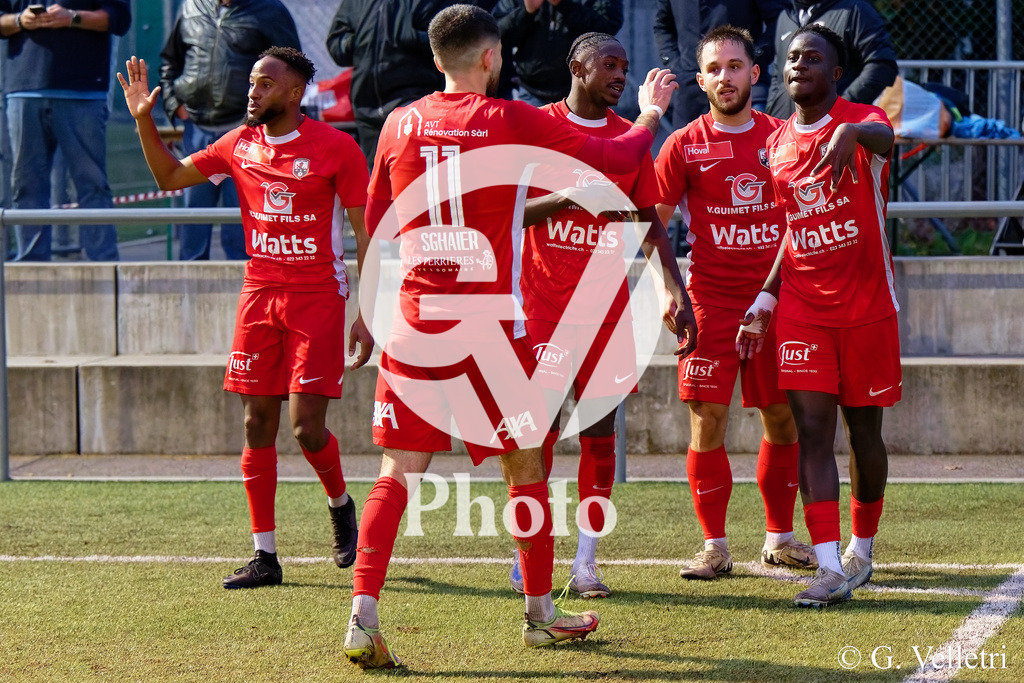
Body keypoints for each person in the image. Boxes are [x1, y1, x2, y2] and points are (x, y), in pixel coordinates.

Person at [343, 4, 682, 668]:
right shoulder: (509, 119)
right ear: (492, 58)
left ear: (437, 58)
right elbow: (617, 156)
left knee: (398, 473)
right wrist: (647, 114)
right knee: (527, 462)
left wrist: (364, 311)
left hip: (413, 320)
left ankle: (362, 614)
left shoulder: (396, 125)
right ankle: (538, 613)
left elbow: (377, 230)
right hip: (491, 327)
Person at [118, 47, 372, 589]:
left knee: (306, 429)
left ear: (294, 92)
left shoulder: (338, 148)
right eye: (252, 82)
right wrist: (145, 121)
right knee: (256, 423)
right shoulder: (239, 143)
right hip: (259, 296)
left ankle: (341, 504)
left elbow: (365, 235)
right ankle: (265, 556)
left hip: (317, 298)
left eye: (264, 83)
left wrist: (366, 312)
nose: (253, 92)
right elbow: (168, 178)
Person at [508, 31, 696, 599]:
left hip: (607, 313)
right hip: (542, 310)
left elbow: (647, 222)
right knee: (533, 437)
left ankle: (586, 561)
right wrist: (571, 194)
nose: (619, 73)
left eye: (625, 65)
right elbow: (512, 210)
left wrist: (672, 288)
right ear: (576, 66)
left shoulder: (629, 138)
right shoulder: (538, 128)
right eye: (608, 64)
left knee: (599, 438)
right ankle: (528, 556)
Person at [737, 23, 898, 607]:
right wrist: (768, 294)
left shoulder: (864, 117)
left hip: (867, 306)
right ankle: (828, 564)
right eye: (791, 57)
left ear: (836, 72)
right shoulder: (776, 143)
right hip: (803, 308)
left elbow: (885, 142)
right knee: (811, 431)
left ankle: (862, 548)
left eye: (812, 58)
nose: (798, 65)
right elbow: (790, 227)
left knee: (865, 433)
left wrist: (853, 133)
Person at [654, 25, 815, 582]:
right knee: (707, 419)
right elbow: (653, 222)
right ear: (700, 81)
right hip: (711, 301)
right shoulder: (683, 144)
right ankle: (715, 546)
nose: (725, 77)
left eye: (734, 66)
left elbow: (803, 215)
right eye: (714, 69)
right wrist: (665, 292)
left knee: (782, 417)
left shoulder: (782, 137)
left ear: (756, 72)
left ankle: (779, 538)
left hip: (776, 301)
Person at [159, 0, 300, 262]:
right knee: (193, 221)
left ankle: (246, 287)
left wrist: (260, 119)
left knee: (241, 227)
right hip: (197, 131)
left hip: (247, 133)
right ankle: (190, 289)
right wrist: (174, 103)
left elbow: (292, 70)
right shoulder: (191, 7)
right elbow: (169, 62)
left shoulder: (269, 10)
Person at [0, 0, 129, 261]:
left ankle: (103, 266)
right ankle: (32, 267)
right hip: (24, 90)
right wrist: (19, 21)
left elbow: (119, 19)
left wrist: (73, 18)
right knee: (26, 187)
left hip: (83, 91)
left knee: (92, 185)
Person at [326, 0, 460, 162]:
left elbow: (455, 40)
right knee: (376, 180)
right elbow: (336, 43)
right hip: (367, 108)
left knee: (414, 176)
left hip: (414, 105)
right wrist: (363, 42)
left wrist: (410, 38)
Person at [653, 0, 788, 129]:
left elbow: (780, 19)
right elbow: (663, 27)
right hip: (691, 95)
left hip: (745, 93)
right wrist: (676, 66)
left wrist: (751, 58)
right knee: (687, 150)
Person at [765, 0, 897, 120]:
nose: (799, 65)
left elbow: (881, 64)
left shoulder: (856, 10)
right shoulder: (784, 15)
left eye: (814, 58)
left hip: (833, 134)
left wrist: (843, 107)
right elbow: (778, 74)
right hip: (786, 131)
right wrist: (773, 111)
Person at [492, 0, 623, 105]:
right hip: (529, 91)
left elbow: (607, 28)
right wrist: (526, 12)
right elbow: (496, 36)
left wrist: (563, 5)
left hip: (582, 92)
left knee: (580, 138)